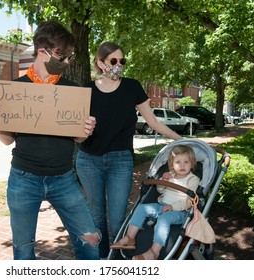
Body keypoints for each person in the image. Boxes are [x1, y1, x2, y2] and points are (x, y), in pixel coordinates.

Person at [0, 20, 101, 260]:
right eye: (62, 56)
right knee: (23, 251)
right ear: (42, 52)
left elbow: (78, 137)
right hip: (24, 179)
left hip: (64, 178)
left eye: (70, 57)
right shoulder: (14, 89)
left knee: (91, 242)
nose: (67, 62)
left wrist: (86, 129)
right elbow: (7, 140)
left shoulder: (72, 90)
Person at [75, 41, 183, 259]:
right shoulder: (85, 90)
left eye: (122, 61)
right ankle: (102, 259)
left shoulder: (132, 87)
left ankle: (116, 261)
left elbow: (153, 121)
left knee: (117, 220)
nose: (118, 65)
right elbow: (77, 134)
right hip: (88, 161)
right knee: (96, 217)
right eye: (113, 61)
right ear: (99, 62)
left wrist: (183, 139)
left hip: (120, 161)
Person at [110, 145, 200, 260]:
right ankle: (130, 238)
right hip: (162, 206)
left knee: (163, 219)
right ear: (172, 164)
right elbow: (160, 190)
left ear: (192, 164)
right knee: (142, 208)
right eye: (178, 162)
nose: (182, 165)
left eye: (186, 162)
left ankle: (154, 252)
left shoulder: (193, 180)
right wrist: (163, 181)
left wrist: (172, 206)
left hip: (180, 211)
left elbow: (190, 202)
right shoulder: (170, 175)